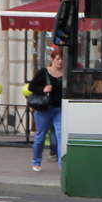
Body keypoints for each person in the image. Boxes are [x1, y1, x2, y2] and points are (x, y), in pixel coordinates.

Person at [28, 44, 64, 172]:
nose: (60, 62)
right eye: (58, 59)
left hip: (59, 109)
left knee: (60, 136)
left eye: (62, 59)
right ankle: (36, 161)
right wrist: (43, 90)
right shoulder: (44, 72)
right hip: (44, 109)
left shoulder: (65, 75)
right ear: (52, 59)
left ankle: (61, 164)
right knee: (40, 136)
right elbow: (31, 87)